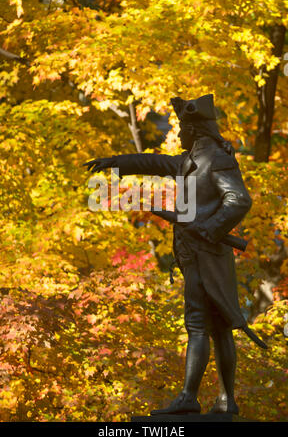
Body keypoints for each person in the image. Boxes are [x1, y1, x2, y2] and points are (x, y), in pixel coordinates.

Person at [83, 94, 266, 415]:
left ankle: (189, 397)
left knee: (200, 324)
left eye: (182, 128)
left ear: (195, 131)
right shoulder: (189, 161)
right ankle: (225, 401)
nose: (178, 134)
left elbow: (239, 200)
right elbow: (154, 162)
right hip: (195, 255)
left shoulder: (215, 160)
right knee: (219, 325)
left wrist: (210, 229)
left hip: (205, 254)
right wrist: (117, 162)